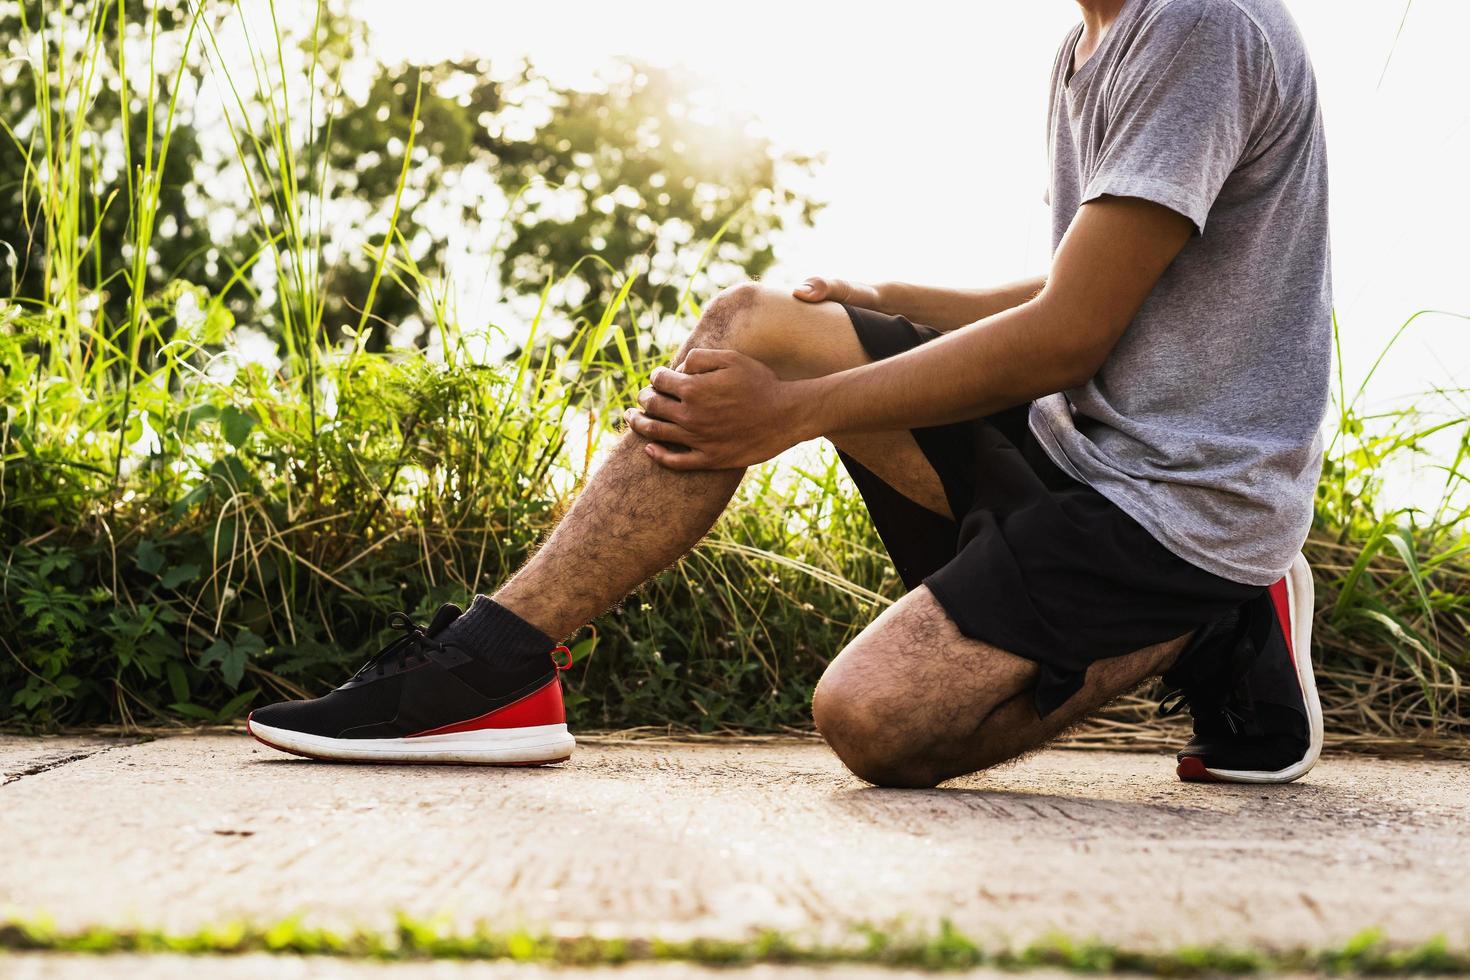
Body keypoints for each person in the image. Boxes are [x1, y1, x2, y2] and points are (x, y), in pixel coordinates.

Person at [247, 0, 1330, 787]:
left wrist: (794, 416)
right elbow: (1092, 278)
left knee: (872, 720)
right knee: (755, 323)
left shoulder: (1203, 24)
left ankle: (1216, 614)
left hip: (1182, 501)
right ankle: (496, 663)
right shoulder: (1095, 38)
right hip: (1079, 442)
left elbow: (1068, 333)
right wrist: (889, 295)